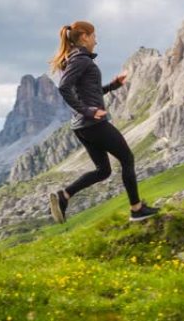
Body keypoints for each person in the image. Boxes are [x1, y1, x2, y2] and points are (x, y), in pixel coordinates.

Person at [47, 20, 159, 224]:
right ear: (84, 37)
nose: (96, 41)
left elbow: (89, 91)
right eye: (94, 36)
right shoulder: (81, 60)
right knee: (127, 159)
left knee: (103, 171)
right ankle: (136, 209)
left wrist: (113, 85)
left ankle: (65, 196)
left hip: (83, 127)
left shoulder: (76, 59)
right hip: (93, 124)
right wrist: (88, 111)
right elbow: (64, 87)